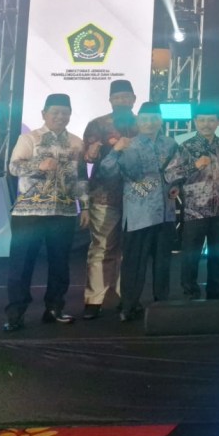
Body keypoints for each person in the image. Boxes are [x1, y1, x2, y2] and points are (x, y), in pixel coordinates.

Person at [3, 93, 88, 332]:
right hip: (28, 212)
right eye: (55, 112)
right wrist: (38, 165)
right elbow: (13, 167)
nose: (60, 117)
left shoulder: (76, 142)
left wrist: (85, 206)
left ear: (70, 115)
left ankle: (54, 309)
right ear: (44, 114)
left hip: (64, 211)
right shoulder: (29, 138)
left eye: (65, 113)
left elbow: (81, 178)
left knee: (60, 265)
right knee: (21, 265)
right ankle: (15, 314)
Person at [99, 102, 179, 322]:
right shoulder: (128, 144)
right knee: (134, 264)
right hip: (138, 215)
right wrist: (115, 151)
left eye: (154, 119)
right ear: (138, 121)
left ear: (161, 120)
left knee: (163, 264)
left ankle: (161, 304)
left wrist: (176, 186)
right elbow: (106, 171)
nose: (149, 123)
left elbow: (178, 172)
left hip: (165, 214)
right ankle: (129, 306)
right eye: (145, 119)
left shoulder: (171, 144)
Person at [80, 79, 137, 320]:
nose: (122, 101)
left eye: (127, 97)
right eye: (118, 97)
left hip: (137, 198)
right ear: (111, 100)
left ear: (134, 99)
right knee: (102, 248)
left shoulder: (143, 123)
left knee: (131, 250)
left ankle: (127, 297)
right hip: (104, 196)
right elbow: (88, 158)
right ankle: (94, 300)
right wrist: (93, 152)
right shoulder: (97, 125)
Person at [166, 103, 219, 300]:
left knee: (218, 254)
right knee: (191, 255)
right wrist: (194, 165)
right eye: (202, 120)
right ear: (195, 122)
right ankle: (190, 293)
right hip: (195, 211)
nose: (206, 124)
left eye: (211, 120)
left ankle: (216, 294)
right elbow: (170, 174)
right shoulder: (186, 146)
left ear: (218, 122)